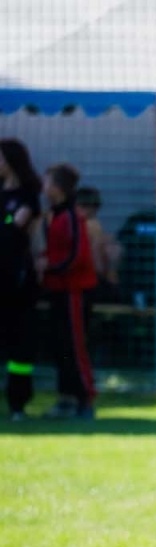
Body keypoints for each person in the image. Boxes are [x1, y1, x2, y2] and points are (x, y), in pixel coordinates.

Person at [39, 164, 97, 419]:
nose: (44, 187)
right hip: (57, 290)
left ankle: (85, 398)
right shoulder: (53, 215)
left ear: (58, 188)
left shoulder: (72, 217)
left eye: (47, 182)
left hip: (73, 290)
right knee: (59, 345)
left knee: (75, 346)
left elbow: (77, 256)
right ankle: (65, 398)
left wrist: (50, 266)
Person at [0, 139, 42, 420]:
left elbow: (16, 231)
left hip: (15, 278)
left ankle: (18, 402)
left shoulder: (28, 195)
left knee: (19, 342)